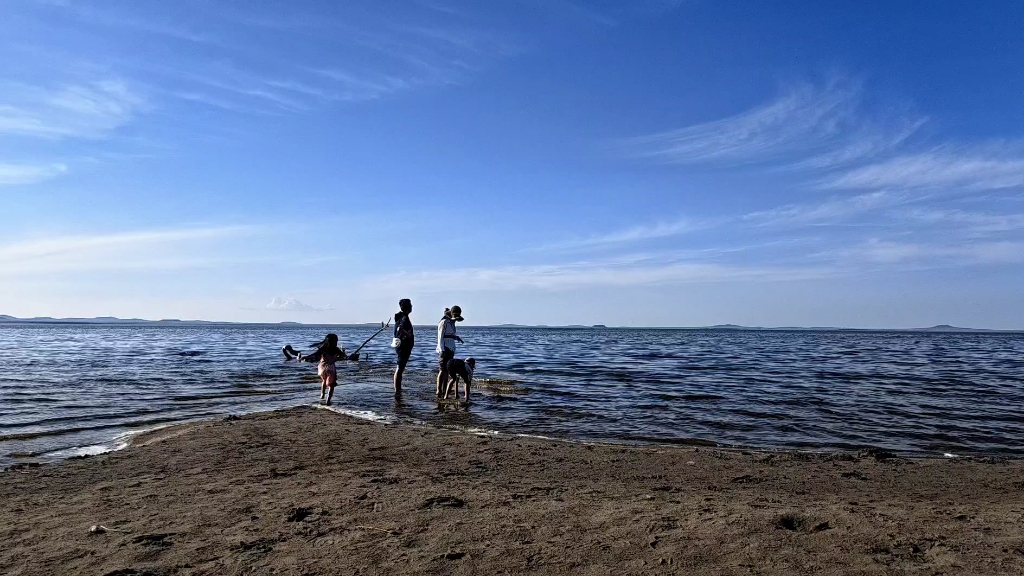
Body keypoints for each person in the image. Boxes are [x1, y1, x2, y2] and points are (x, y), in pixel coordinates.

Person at [308, 333, 345, 405]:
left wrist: (305, 357)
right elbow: (342, 356)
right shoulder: (336, 349)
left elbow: (315, 354)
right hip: (331, 368)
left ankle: (322, 394)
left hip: (322, 367)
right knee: (332, 385)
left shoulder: (323, 349)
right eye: (336, 341)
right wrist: (338, 357)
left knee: (324, 380)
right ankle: (328, 400)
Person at [435, 305, 464, 396]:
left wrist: (456, 337)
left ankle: (445, 389)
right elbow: (440, 337)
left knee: (447, 370)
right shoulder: (444, 322)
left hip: (451, 348)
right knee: (442, 369)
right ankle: (439, 390)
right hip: (444, 348)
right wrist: (442, 349)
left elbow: (449, 334)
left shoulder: (451, 322)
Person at [392, 298, 414, 394]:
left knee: (400, 368)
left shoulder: (400, 316)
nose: (412, 306)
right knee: (400, 368)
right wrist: (408, 335)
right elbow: (399, 329)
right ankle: (397, 390)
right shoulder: (404, 318)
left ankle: (398, 389)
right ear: (407, 307)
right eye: (410, 305)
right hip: (403, 347)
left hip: (401, 346)